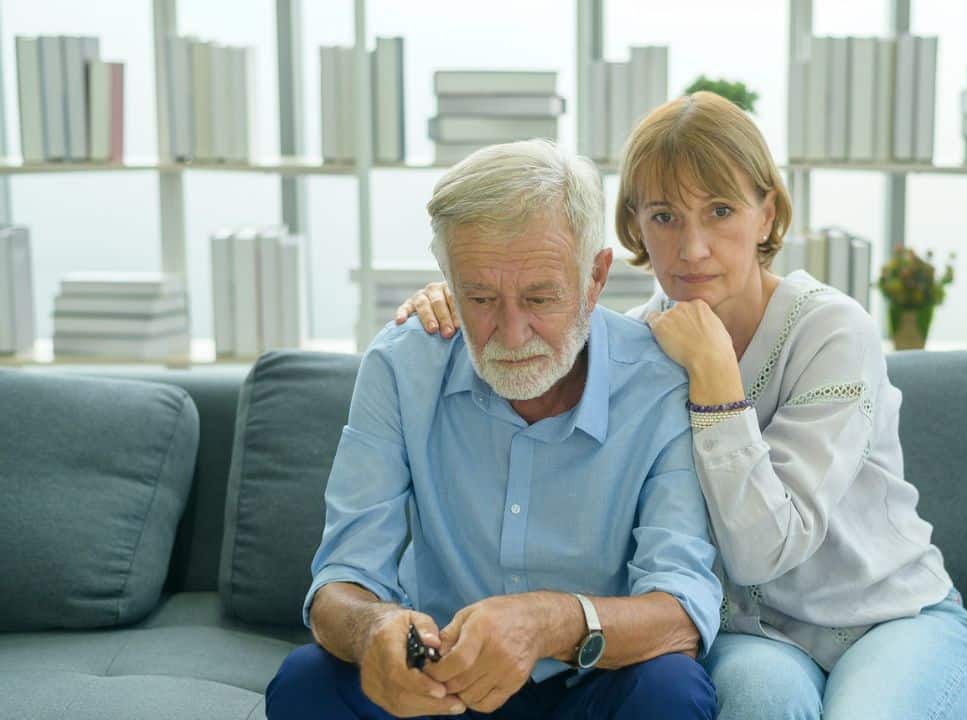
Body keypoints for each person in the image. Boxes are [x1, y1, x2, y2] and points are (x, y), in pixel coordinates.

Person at [397, 92, 967, 720]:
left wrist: (714, 379)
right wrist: (457, 297)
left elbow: (766, 551)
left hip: (893, 620)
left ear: (767, 214)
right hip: (752, 637)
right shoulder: (634, 347)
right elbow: (531, 314)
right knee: (757, 706)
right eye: (664, 216)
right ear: (634, 225)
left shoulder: (832, 332)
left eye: (720, 211)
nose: (692, 248)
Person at [267, 139, 723, 719]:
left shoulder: (659, 382)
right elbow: (341, 579)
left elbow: (683, 608)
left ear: (595, 277)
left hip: (589, 683)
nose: (510, 334)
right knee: (306, 680)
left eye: (540, 297)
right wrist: (373, 628)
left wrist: (553, 622)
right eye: (480, 297)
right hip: (438, 687)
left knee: (670, 689)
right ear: (447, 278)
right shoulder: (402, 365)